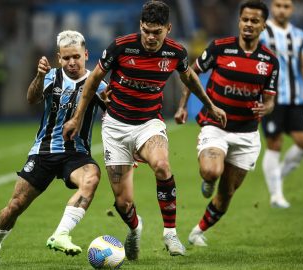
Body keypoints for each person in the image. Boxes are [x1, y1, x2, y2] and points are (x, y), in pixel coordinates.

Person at [63, 0, 226, 260]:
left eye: (156, 32)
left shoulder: (175, 53)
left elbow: (190, 79)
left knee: (162, 165)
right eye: (146, 30)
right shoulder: (121, 46)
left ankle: (170, 233)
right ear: (140, 26)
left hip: (149, 123)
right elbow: (93, 81)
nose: (150, 37)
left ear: (168, 28)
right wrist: (76, 118)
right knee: (123, 202)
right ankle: (135, 228)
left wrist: (210, 105)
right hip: (115, 126)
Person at [0, 30, 108, 266]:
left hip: (76, 153)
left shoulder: (97, 84)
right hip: (44, 151)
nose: (72, 62)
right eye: (66, 58)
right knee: (15, 206)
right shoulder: (51, 77)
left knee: (91, 179)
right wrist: (39, 77)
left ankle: (60, 234)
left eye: (76, 57)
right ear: (59, 58)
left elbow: (112, 112)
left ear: (86, 55)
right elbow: (31, 98)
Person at [174, 0, 279, 247]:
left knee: (226, 194)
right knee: (212, 170)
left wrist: (266, 108)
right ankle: (209, 178)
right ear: (239, 21)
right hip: (215, 126)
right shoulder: (220, 48)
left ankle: (198, 231)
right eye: (245, 20)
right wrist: (181, 106)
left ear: (263, 25)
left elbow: (270, 100)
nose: (249, 25)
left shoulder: (270, 61)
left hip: (247, 135)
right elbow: (191, 73)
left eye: (255, 21)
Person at [259, 0, 303, 209]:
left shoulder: (298, 35)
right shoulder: (262, 31)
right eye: (278, 5)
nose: (281, 9)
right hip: (270, 98)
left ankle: (277, 175)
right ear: (272, 7)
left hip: (294, 98)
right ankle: (276, 196)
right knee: (275, 144)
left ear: (292, 9)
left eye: (286, 6)